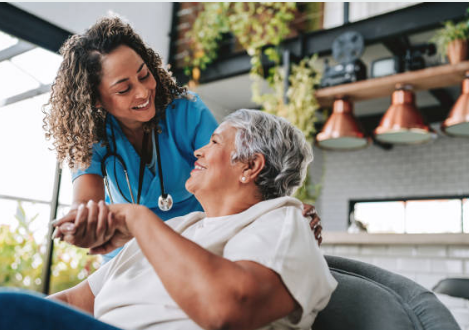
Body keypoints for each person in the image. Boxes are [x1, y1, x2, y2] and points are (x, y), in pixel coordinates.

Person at [1, 109, 337, 330]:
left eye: (215, 142)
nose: (198, 151)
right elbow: (75, 301)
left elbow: (227, 309)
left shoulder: (281, 223)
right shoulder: (179, 228)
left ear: (250, 167)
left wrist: (137, 218)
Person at [43, 17, 323, 262]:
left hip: (194, 246)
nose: (143, 92)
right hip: (127, 255)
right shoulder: (92, 135)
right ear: (96, 100)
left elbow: (236, 174)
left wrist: (283, 212)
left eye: (144, 75)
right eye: (124, 89)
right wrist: (81, 224)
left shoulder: (186, 111)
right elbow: (85, 205)